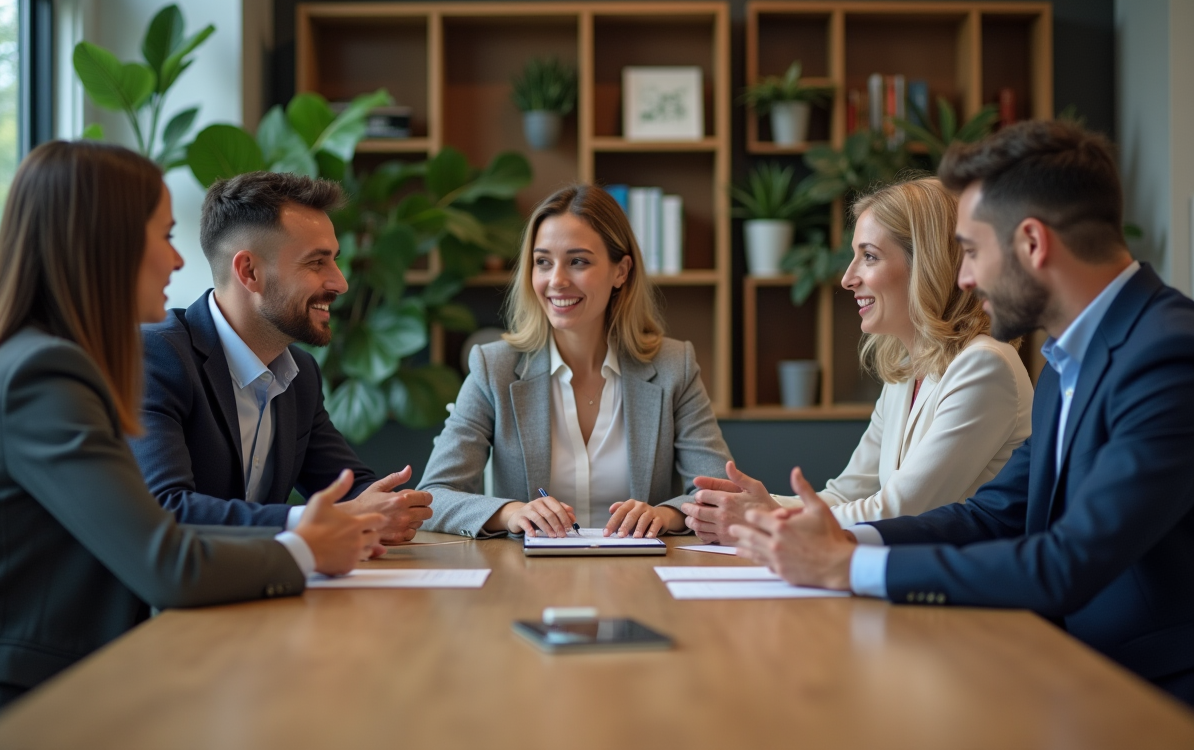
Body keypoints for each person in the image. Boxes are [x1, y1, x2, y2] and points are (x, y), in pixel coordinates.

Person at [729, 121, 1194, 706]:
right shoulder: (1067, 360)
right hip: (1067, 661)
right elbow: (992, 515)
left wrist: (845, 567)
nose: (964, 277)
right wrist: (843, 537)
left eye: (971, 251)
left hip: (1150, 690)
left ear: (1032, 243)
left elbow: (1069, 562)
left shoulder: (1168, 354)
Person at [0, 142, 384, 712]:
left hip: (102, 674)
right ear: (106, 243)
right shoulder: (45, 374)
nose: (178, 262)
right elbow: (166, 559)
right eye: (165, 236)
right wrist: (306, 547)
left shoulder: (56, 361)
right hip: (41, 700)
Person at [682, 177, 1033, 540]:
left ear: (928, 264)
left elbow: (901, 510)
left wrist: (766, 518)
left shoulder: (984, 365)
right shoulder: (906, 373)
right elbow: (844, 495)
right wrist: (750, 505)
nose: (848, 278)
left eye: (869, 256)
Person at [128, 172, 431, 544]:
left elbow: (348, 488)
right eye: (316, 263)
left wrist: (387, 507)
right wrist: (319, 520)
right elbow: (167, 509)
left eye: (334, 260)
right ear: (249, 272)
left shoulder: (301, 374)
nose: (340, 283)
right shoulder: (157, 357)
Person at [416, 183, 732, 539]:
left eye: (578, 261)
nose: (557, 280)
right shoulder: (494, 367)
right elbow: (433, 498)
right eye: (543, 262)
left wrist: (663, 515)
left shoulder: (674, 366)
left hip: (641, 569)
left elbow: (721, 495)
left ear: (621, 271)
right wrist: (511, 512)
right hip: (528, 571)